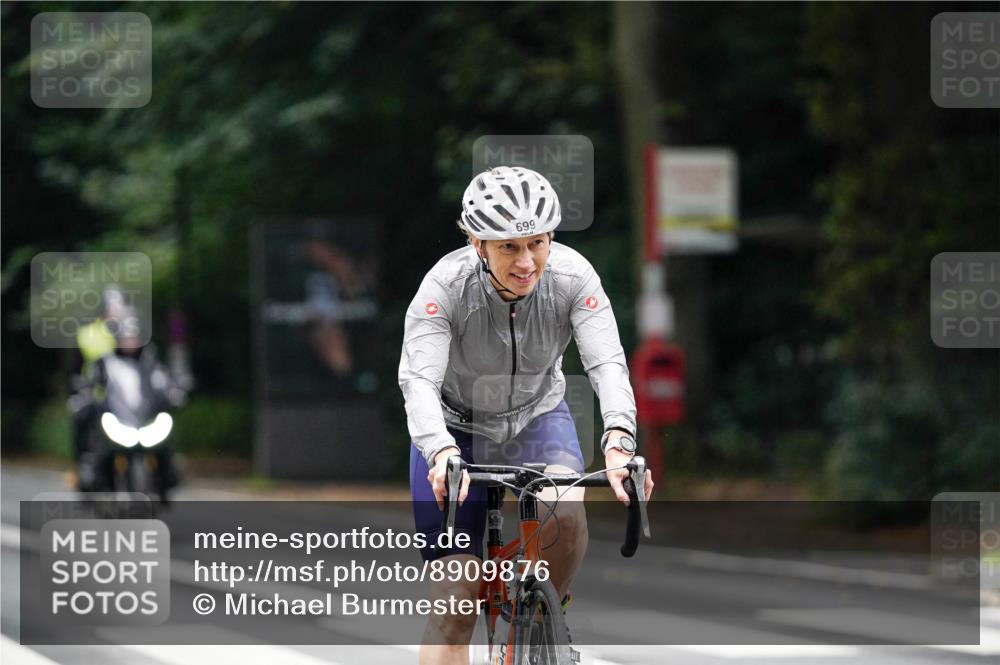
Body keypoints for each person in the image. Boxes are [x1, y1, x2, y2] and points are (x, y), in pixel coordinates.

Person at [399, 166, 655, 664]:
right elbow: (418, 381)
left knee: (567, 511)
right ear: (477, 243)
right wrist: (441, 450)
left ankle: (547, 617)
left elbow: (606, 363)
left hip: (537, 417)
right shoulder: (444, 288)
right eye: (509, 247)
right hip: (455, 429)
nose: (526, 261)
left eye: (536, 243)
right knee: (455, 608)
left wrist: (620, 440)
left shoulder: (573, 277)